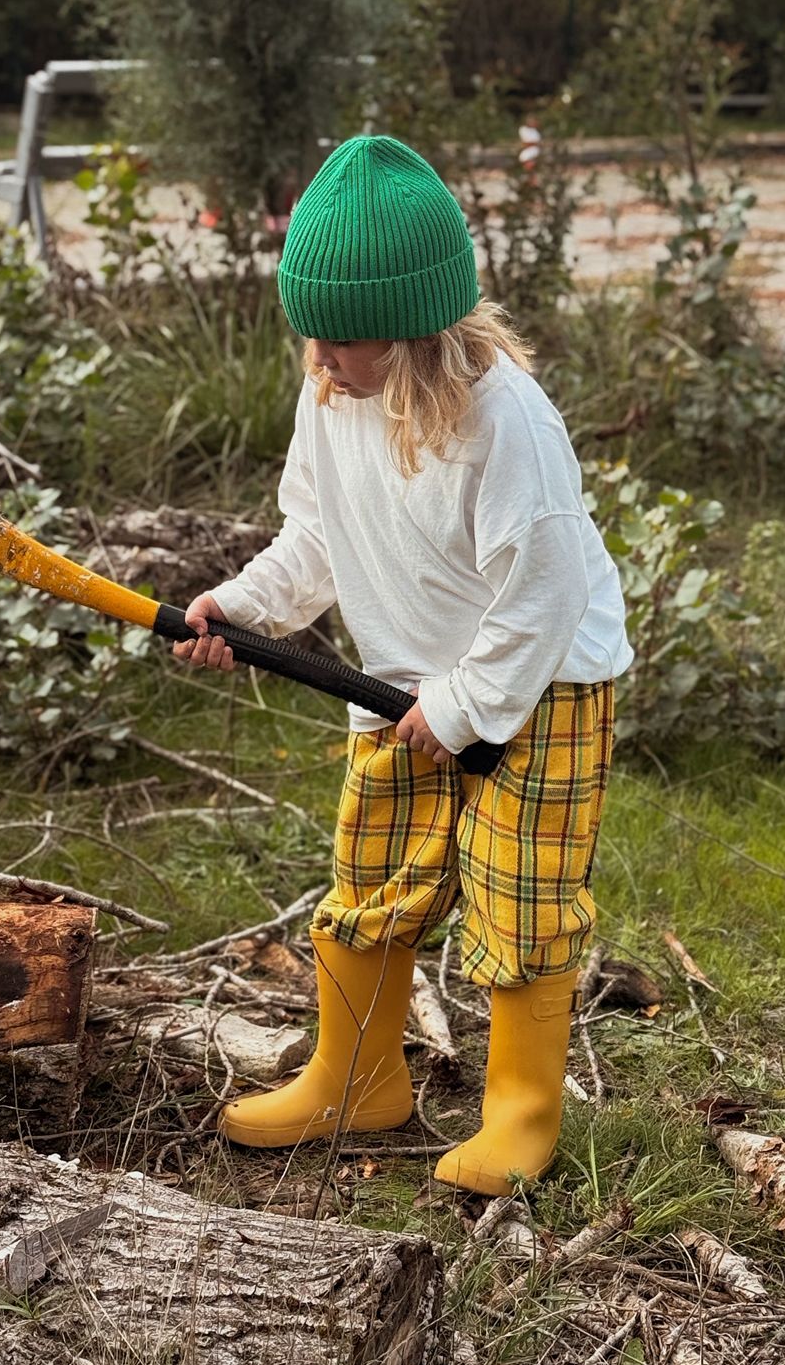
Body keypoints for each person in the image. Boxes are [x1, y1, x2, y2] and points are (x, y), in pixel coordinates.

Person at [174, 133, 632, 1195]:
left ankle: (520, 1114)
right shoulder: (331, 397)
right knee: (371, 868)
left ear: (419, 325)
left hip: (540, 683)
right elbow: (317, 538)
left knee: (520, 890)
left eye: (344, 339)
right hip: (398, 683)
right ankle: (357, 1075)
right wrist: (240, 606)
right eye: (311, 335)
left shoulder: (505, 418)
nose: (322, 358)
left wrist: (468, 704)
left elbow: (545, 588)